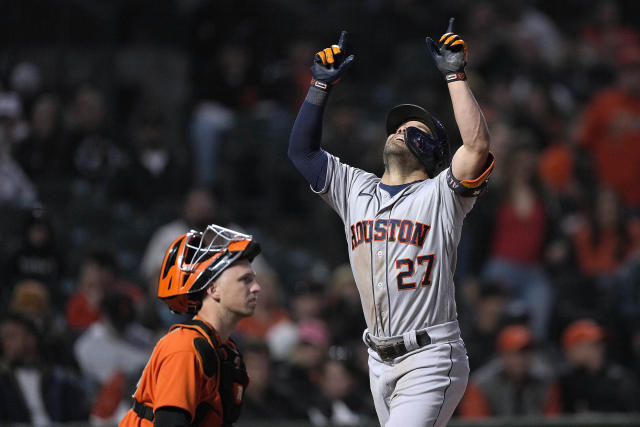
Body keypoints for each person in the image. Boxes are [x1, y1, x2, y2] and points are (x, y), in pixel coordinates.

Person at [288, 18, 495, 426]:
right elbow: (303, 154)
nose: (399, 130)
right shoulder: (354, 188)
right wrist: (319, 88)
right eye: (396, 126)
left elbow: (478, 145)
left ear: (432, 150)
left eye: (411, 127)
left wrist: (454, 75)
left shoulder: (442, 195)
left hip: (431, 355)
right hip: (377, 359)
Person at [119, 224, 261, 426]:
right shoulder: (185, 348)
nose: (256, 287)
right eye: (245, 280)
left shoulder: (224, 350)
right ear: (213, 289)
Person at [458, 324, 560, 418]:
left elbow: (552, 421)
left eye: (525, 353)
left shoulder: (545, 382)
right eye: (514, 354)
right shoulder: (481, 385)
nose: (521, 360)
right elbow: (474, 422)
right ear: (502, 355)